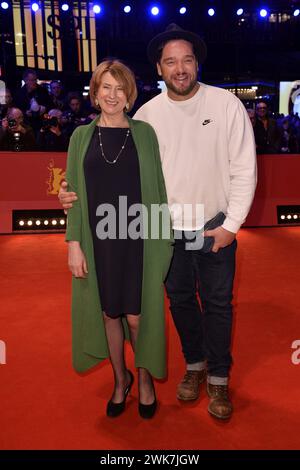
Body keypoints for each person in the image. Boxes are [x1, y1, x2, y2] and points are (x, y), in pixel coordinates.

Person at [59, 24, 257, 420]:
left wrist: (232, 225)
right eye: (171, 61)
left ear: (196, 63)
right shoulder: (148, 116)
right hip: (162, 230)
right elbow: (98, 176)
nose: (179, 68)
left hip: (213, 225)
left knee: (218, 304)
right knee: (180, 303)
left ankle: (218, 379)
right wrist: (68, 194)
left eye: (186, 60)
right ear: (159, 68)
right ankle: (194, 367)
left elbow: (244, 167)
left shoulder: (225, 105)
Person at [64, 59, 173, 419]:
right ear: (95, 93)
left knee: (138, 316)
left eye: (119, 88)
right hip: (98, 243)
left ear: (129, 95)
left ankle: (143, 380)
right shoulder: (80, 136)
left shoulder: (144, 133)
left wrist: (161, 247)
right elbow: (73, 195)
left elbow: (157, 191)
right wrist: (74, 243)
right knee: (110, 313)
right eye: (105, 87)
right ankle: (119, 379)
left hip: (138, 239)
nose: (112, 95)